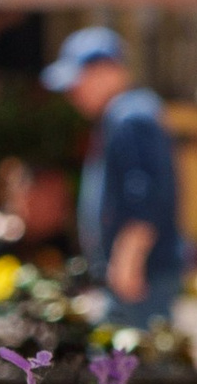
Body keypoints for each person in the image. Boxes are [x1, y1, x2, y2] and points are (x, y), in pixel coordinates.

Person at [42, 25, 184, 316]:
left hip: (143, 274)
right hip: (137, 273)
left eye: (77, 82)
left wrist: (128, 261)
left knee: (129, 359)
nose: (73, 94)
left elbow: (144, 194)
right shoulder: (120, 116)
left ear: (108, 70)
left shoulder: (131, 116)